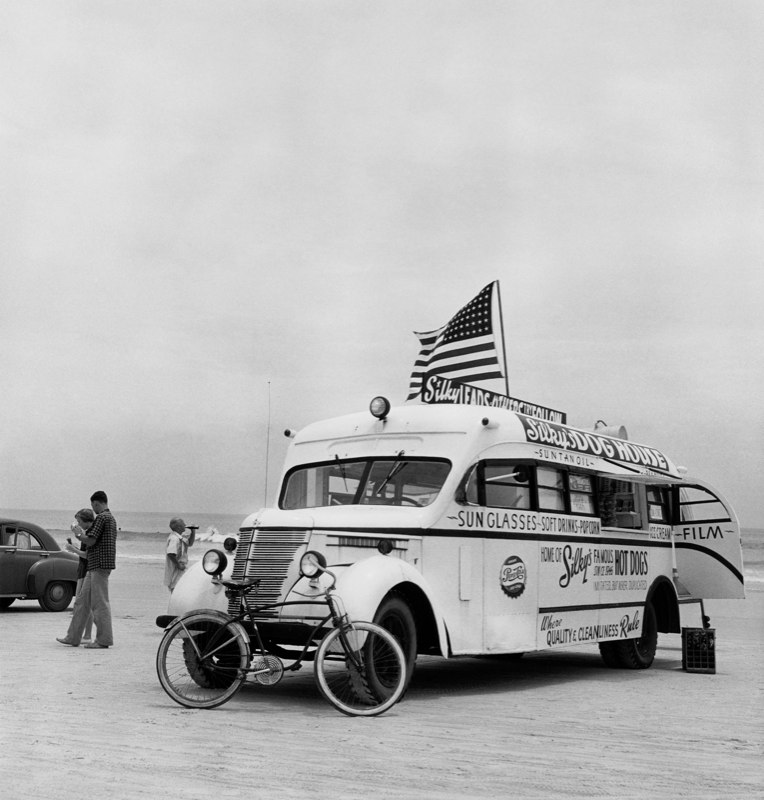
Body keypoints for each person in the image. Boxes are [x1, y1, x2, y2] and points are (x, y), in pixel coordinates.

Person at [57, 491, 117, 649]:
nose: (93, 509)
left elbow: (90, 540)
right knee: (82, 602)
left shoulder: (102, 518)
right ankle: (73, 637)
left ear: (97, 503)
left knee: (99, 603)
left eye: (93, 505)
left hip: (99, 565)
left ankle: (103, 640)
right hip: (96, 565)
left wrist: (77, 533)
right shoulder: (110, 518)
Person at [64, 508, 96, 641]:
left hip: (85, 569)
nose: (78, 524)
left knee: (82, 603)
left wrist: (73, 549)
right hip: (83, 568)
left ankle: (86, 635)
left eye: (79, 521)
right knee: (84, 603)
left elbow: (87, 555)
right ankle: (85, 635)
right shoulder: (87, 533)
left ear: (86, 521)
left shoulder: (89, 534)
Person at [164, 517, 196, 592]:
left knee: (181, 590)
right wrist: (178, 565)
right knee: (177, 590)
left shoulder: (179, 537)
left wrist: (193, 532)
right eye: (183, 523)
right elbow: (170, 553)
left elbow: (189, 543)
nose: (185, 525)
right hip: (177, 569)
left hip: (180, 568)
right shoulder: (174, 539)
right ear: (178, 527)